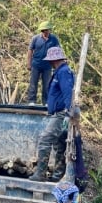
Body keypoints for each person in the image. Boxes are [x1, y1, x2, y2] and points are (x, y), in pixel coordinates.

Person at [29, 47, 75, 182]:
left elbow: (68, 93)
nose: (49, 63)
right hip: (58, 112)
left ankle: (40, 174)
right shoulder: (59, 72)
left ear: (54, 60)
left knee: (45, 139)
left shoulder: (63, 72)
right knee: (59, 143)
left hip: (61, 114)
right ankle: (57, 175)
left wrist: (68, 112)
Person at [27, 21, 61, 106]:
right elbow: (30, 50)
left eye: (46, 30)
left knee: (47, 84)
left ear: (49, 30)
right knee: (33, 83)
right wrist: (29, 63)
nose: (44, 32)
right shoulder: (35, 38)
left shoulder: (54, 39)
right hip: (36, 64)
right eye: (43, 31)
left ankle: (46, 102)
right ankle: (31, 101)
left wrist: (58, 64)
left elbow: (57, 51)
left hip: (48, 65)